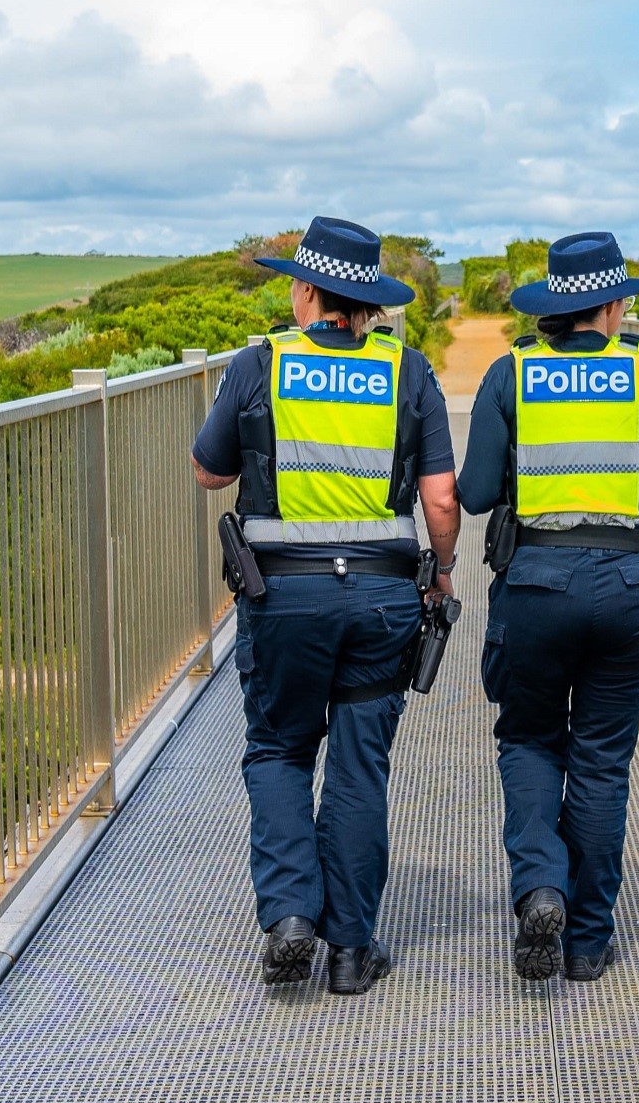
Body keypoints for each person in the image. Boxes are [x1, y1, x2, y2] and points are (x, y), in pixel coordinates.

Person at [457, 230, 639, 983]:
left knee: (528, 740)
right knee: (602, 762)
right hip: (633, 593)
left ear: (556, 305)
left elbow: (479, 493)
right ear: (613, 306)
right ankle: (586, 941)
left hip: (536, 589)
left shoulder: (510, 374)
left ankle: (540, 887)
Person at [190, 216, 460, 994]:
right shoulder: (408, 372)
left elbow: (209, 474)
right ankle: (349, 950)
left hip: (283, 601)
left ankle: (288, 918)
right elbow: (440, 499)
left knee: (278, 750)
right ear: (368, 303)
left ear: (306, 292)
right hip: (381, 600)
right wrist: (440, 572)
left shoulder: (258, 364)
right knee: (357, 768)